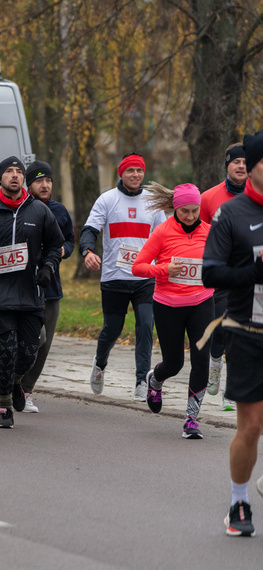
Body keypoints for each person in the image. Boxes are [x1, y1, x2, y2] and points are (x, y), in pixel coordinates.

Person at [0, 156, 64, 428]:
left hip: (30, 294)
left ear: (23, 178)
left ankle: (17, 382)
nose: (14, 175)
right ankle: (5, 407)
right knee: (7, 351)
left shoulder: (40, 212)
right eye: (8, 172)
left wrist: (47, 267)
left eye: (19, 172)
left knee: (29, 353)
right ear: (0, 178)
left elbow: (55, 246)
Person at [201, 129, 263, 538]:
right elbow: (211, 273)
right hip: (248, 331)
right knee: (253, 425)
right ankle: (238, 501)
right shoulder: (232, 214)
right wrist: (254, 273)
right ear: (253, 168)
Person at [80, 153, 166, 401]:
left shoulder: (152, 201)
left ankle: (142, 381)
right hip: (114, 277)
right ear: (121, 173)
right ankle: (100, 364)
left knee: (145, 326)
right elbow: (89, 230)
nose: (136, 175)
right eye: (130, 171)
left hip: (145, 278)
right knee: (112, 329)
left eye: (139, 171)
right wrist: (87, 252)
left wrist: (164, 266)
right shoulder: (107, 200)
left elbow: (164, 237)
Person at [132, 183, 213, 438]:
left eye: (194, 210)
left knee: (201, 361)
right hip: (168, 305)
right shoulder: (162, 232)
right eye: (184, 211)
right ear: (175, 209)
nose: (190, 216)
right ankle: (155, 379)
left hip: (201, 302)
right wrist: (164, 270)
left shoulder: (210, 231)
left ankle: (191, 419)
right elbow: (138, 267)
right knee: (174, 363)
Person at [20, 161, 75, 413]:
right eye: (39, 181)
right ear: (29, 184)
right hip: (23, 286)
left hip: (51, 287)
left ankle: (25, 390)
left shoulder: (60, 210)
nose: (45, 185)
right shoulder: (20, 209)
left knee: (45, 345)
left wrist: (64, 250)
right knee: (34, 338)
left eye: (49, 180)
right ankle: (12, 382)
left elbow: (69, 241)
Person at [201, 143, 246, 412]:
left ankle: (234, 390)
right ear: (227, 165)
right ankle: (215, 362)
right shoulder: (209, 198)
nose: (241, 166)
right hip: (220, 275)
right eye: (236, 162)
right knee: (220, 329)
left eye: (245, 162)